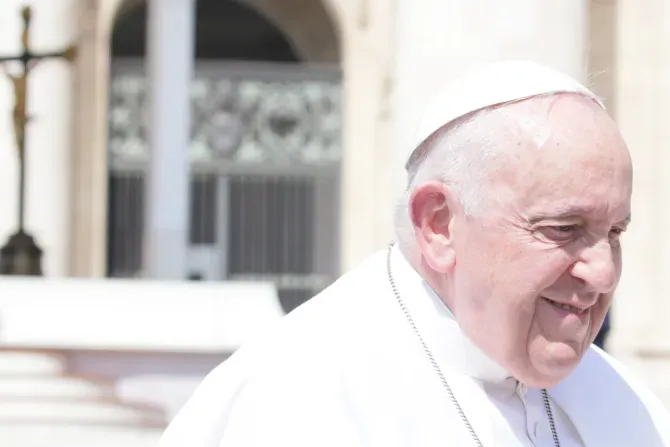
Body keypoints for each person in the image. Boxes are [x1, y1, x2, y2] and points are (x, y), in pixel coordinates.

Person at [159, 61, 670, 446]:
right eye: (564, 228)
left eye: (615, 232)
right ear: (440, 224)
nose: (602, 273)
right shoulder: (295, 398)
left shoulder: (622, 401)